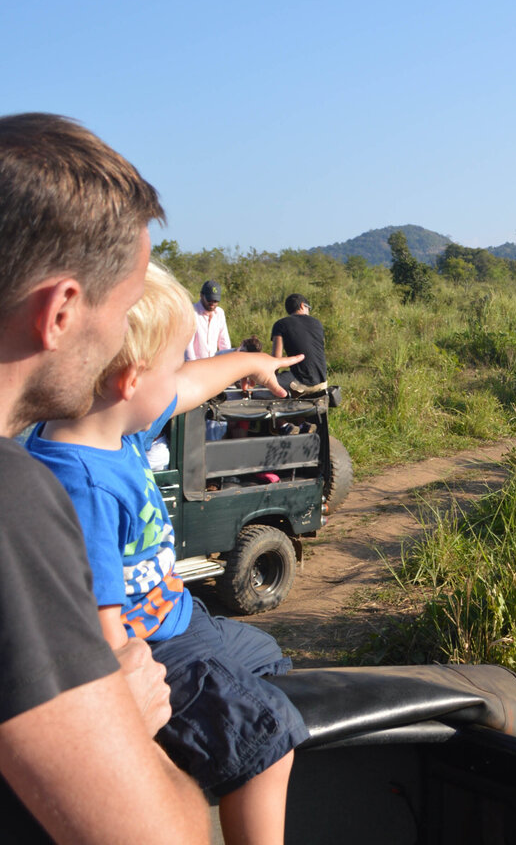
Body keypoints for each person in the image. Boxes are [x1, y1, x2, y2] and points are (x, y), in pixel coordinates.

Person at [28, 262, 308, 845]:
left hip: (182, 616)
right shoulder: (86, 484)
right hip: (152, 647)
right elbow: (102, 634)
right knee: (269, 729)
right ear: (130, 380)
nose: (179, 376)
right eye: (172, 361)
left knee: (266, 653)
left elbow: (192, 384)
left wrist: (253, 363)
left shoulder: (112, 428)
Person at [0, 113, 209, 843]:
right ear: (60, 311)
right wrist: (125, 719)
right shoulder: (13, 501)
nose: (124, 341)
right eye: (122, 311)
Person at [270, 293, 327, 396]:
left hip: (299, 384)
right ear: (302, 306)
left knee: (262, 387)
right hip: (322, 382)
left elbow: (276, 358)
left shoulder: (281, 324)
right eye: (308, 308)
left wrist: (271, 379)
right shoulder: (317, 323)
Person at [186, 279, 231, 359]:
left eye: (216, 300)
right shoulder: (191, 312)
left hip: (213, 365)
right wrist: (193, 368)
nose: (212, 303)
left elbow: (224, 342)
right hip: (195, 365)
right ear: (201, 295)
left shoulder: (220, 313)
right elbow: (188, 346)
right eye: (210, 299)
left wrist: (227, 362)